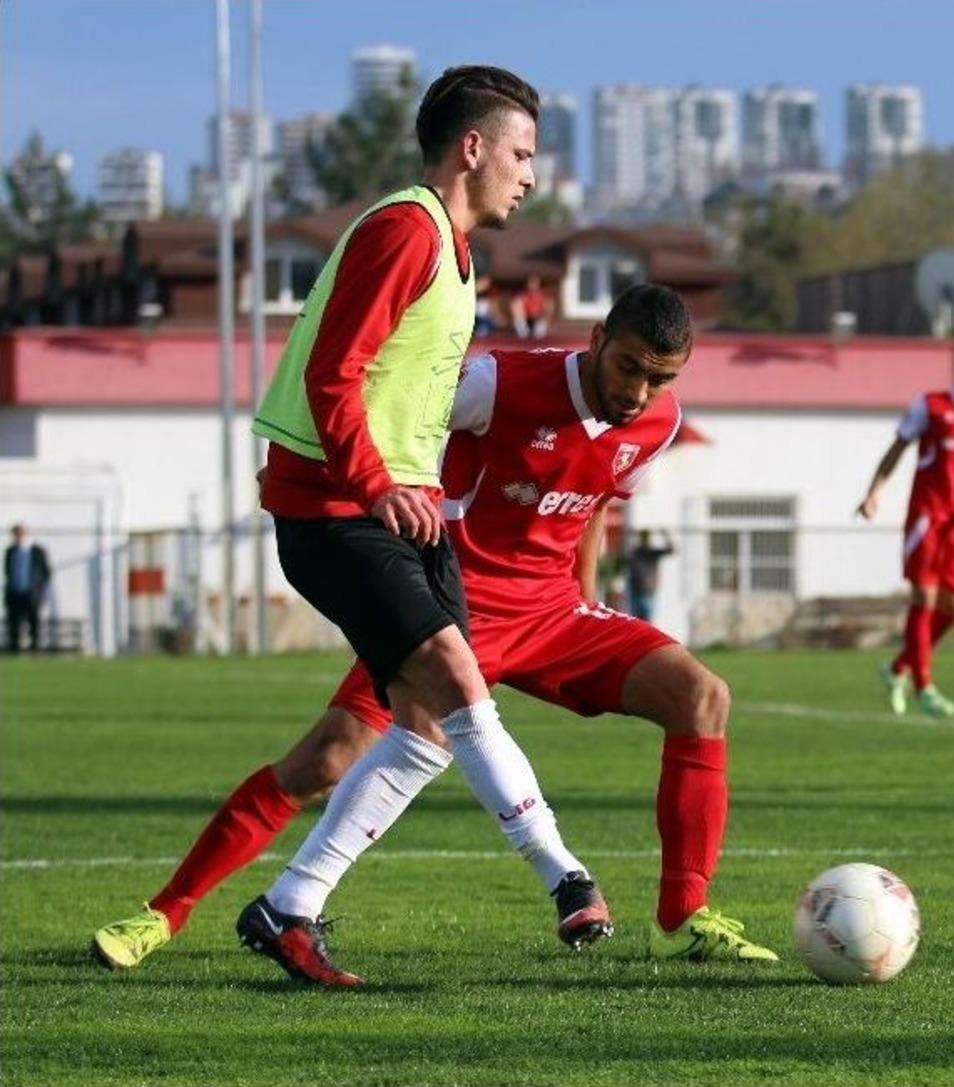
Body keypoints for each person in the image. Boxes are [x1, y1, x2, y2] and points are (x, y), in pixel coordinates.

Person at [92, 286, 777, 982]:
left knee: (701, 695)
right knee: (325, 758)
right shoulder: (498, 382)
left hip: (551, 612)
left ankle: (682, 918)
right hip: (449, 607)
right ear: (597, 338)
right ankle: (164, 912)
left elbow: (595, 499)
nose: (640, 390)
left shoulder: (657, 424)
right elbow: (386, 418)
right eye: (630, 367)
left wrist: (587, 601)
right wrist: (317, 474)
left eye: (661, 377)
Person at [93, 65, 608, 983]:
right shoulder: (405, 230)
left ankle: (289, 905)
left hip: (402, 515)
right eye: (523, 154)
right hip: (339, 509)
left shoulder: (456, 251)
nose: (533, 176)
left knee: (417, 730)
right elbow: (335, 372)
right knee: (455, 679)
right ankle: (564, 875)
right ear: (473, 148)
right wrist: (375, 485)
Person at [857, 345, 954, 717]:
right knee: (924, 598)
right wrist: (874, 492)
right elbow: (898, 448)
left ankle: (898, 669)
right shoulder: (931, 405)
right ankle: (925, 688)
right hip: (927, 516)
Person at [4, 524, 51, 653]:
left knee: (34, 622)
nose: (17, 538)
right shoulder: (10, 551)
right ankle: (14, 649)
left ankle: (35, 649)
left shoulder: (37, 551)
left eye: (19, 534)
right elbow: (8, 571)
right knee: (14, 623)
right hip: (15, 592)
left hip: (32, 593)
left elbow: (46, 572)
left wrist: (40, 590)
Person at [626, 529, 675, 621]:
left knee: (647, 622)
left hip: (648, 593)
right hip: (636, 593)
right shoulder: (636, 552)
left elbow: (671, 550)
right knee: (636, 623)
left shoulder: (652, 553)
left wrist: (666, 536)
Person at [511, 274, 551, 339]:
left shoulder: (542, 295)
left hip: (537, 318)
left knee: (548, 305)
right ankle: (523, 331)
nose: (533, 285)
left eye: (534, 283)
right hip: (525, 318)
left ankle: (539, 331)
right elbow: (515, 306)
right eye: (531, 283)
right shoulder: (522, 295)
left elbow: (548, 308)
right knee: (516, 304)